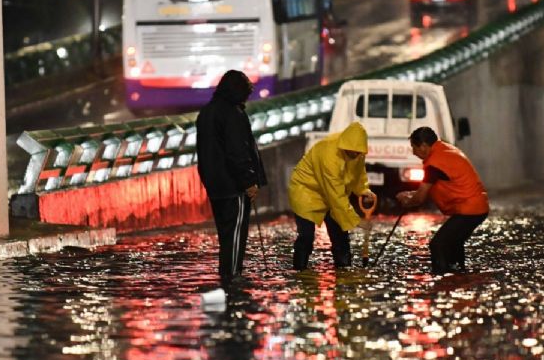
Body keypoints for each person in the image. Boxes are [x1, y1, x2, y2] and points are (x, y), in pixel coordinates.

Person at [195, 70, 267, 283]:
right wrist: (249, 181)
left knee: (225, 235)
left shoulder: (206, 112)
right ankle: (232, 276)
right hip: (233, 185)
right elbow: (237, 152)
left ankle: (226, 274)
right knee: (235, 234)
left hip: (214, 185)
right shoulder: (233, 114)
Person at [396, 126, 489, 274]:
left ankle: (441, 278)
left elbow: (420, 198)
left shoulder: (434, 163)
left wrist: (408, 201)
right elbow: (430, 188)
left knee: (438, 245)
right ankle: (458, 275)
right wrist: (410, 194)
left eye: (414, 148)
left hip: (469, 209)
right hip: (477, 207)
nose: (413, 152)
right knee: (453, 242)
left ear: (424, 146)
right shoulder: (445, 151)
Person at [288, 121, 377, 270]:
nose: (356, 154)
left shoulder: (358, 152)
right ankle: (299, 271)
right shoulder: (328, 153)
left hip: (332, 194)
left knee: (341, 236)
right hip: (307, 191)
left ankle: (344, 271)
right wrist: (357, 221)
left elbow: (358, 174)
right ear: (344, 145)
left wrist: (363, 190)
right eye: (352, 151)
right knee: (306, 236)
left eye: (358, 152)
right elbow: (336, 196)